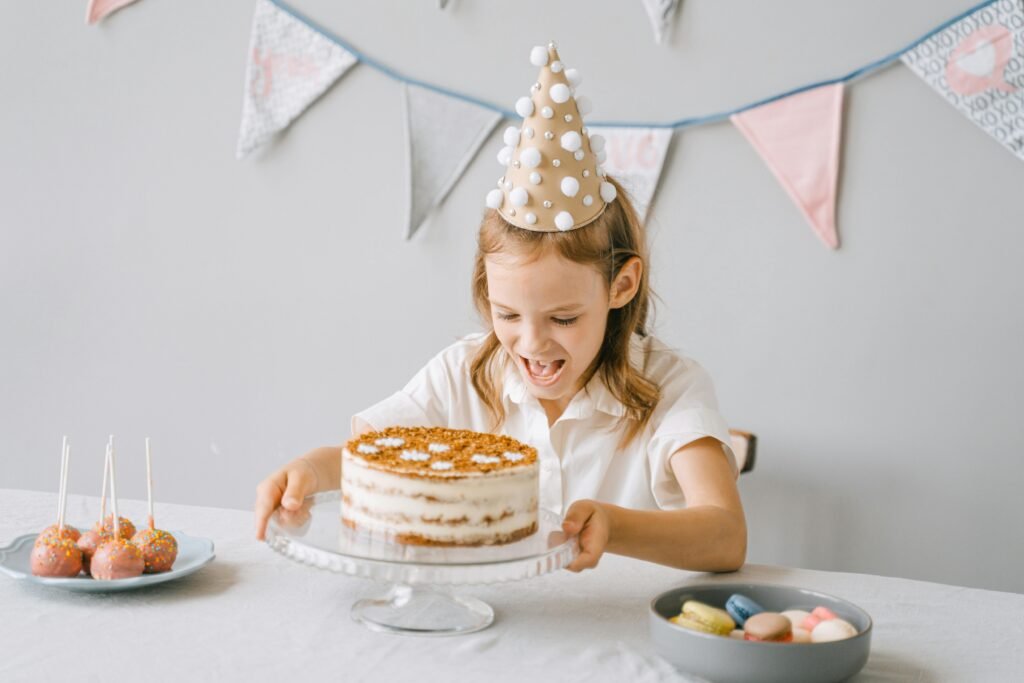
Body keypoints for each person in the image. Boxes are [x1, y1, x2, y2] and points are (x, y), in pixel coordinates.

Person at [254, 43, 745, 574]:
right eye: (507, 314)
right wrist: (309, 471)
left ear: (621, 286)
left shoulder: (669, 389)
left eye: (563, 318)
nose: (531, 344)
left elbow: (725, 537)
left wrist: (615, 524)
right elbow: (371, 464)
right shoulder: (462, 374)